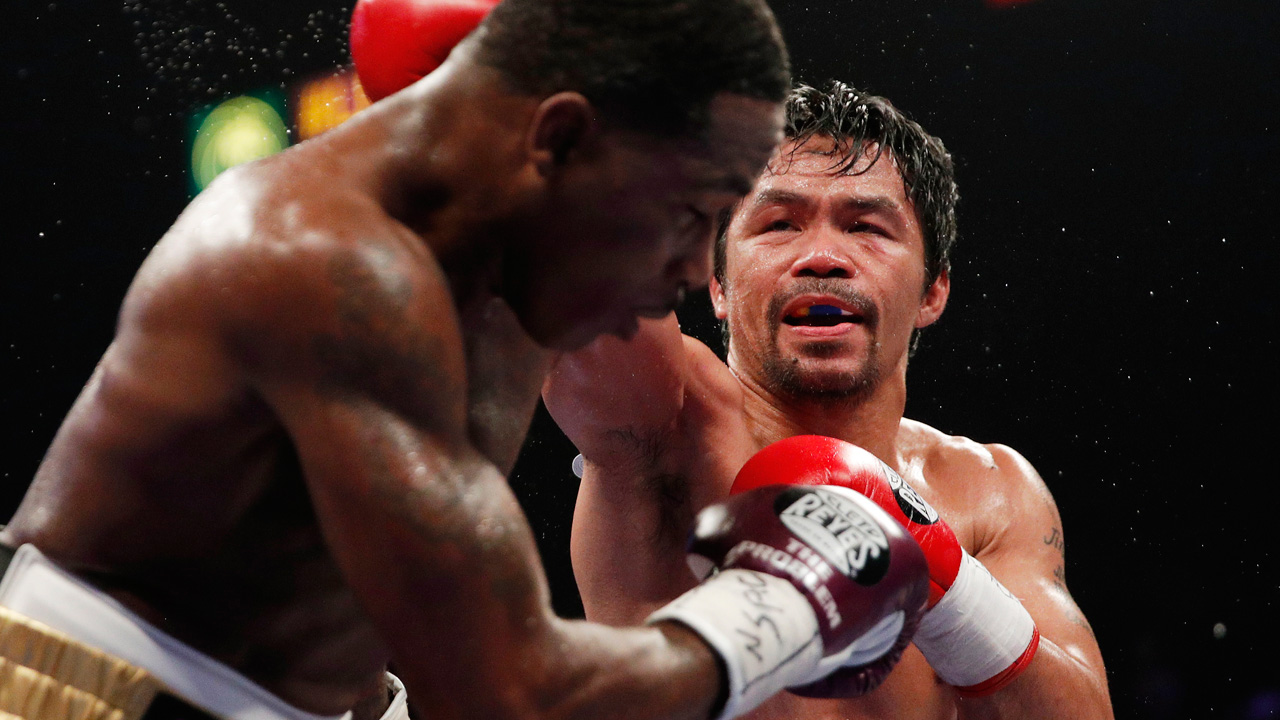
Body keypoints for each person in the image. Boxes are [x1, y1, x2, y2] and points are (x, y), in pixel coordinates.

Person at [0, 4, 934, 720]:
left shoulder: (501, 250)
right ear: (561, 140)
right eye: (691, 213)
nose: (693, 271)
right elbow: (514, 692)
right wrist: (782, 612)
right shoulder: (324, 271)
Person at [545, 81, 1114, 719]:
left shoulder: (987, 490)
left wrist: (943, 577)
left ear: (932, 292)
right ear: (719, 288)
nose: (822, 257)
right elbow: (574, 303)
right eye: (779, 223)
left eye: (866, 227)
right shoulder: (677, 425)